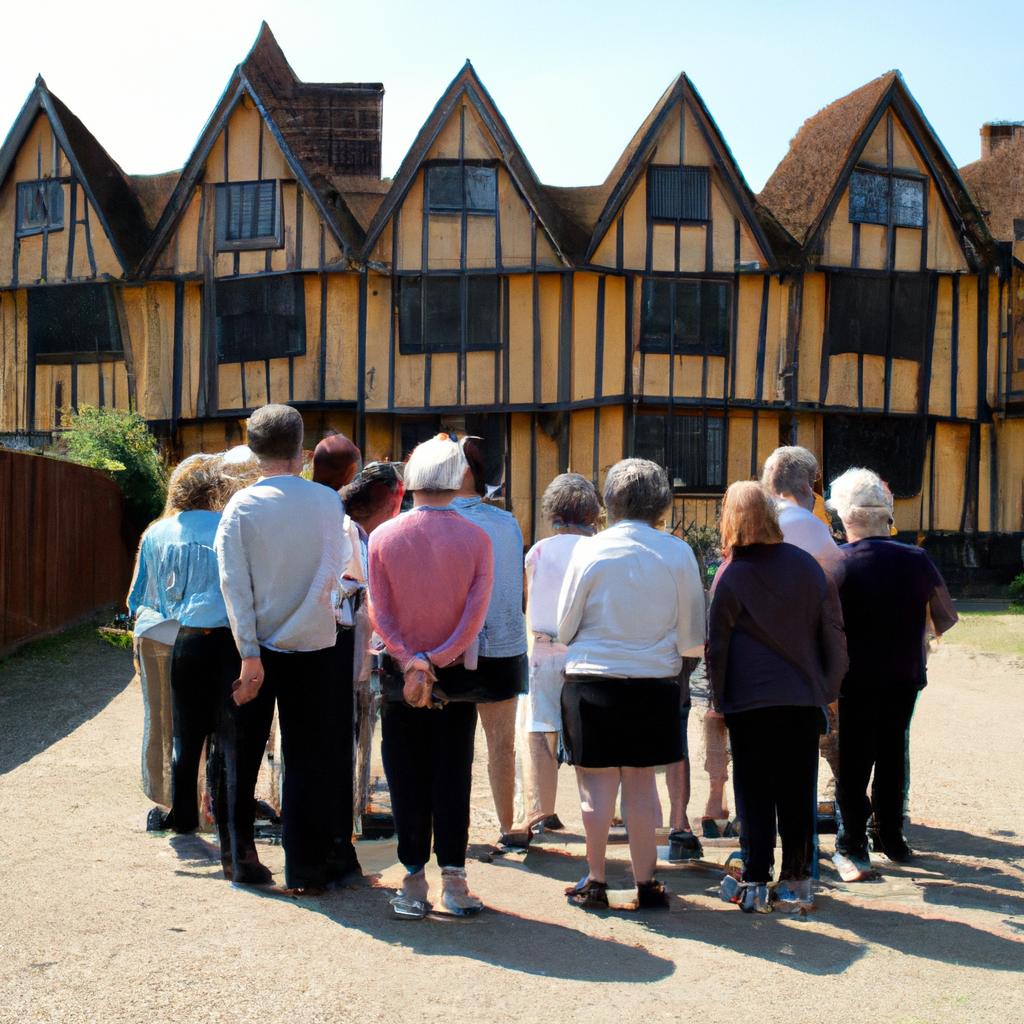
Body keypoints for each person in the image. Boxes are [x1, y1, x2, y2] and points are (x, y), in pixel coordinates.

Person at [216, 404, 352, 892]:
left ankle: (240, 859)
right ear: (302, 448)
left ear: (252, 449)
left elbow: (234, 585)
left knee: (243, 753)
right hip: (315, 644)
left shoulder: (241, 507)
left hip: (256, 648)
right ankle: (307, 866)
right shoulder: (327, 503)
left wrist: (249, 651)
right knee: (307, 757)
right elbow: (335, 575)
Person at [557, 458, 705, 910]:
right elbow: (692, 640)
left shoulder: (587, 549)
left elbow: (564, 628)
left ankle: (597, 878)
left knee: (594, 787)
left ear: (610, 501)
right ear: (662, 501)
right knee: (642, 786)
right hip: (653, 683)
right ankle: (646, 882)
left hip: (592, 679)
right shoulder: (678, 552)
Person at [368, 435, 494, 919]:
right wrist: (438, 658)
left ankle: (413, 879)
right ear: (458, 477)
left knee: (405, 775)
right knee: (452, 773)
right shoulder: (477, 539)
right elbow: (474, 617)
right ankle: (455, 880)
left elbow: (377, 610)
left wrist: (410, 658)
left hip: (400, 675)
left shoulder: (381, 537)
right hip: (455, 676)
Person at [707, 482, 848, 914]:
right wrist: (827, 687)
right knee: (796, 789)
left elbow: (718, 647)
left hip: (750, 701)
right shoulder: (807, 566)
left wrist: (719, 699)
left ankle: (755, 876)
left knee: (753, 790)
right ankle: (798, 879)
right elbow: (833, 632)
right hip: (802, 698)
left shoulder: (731, 574)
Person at [827, 468, 957, 879]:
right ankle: (891, 836)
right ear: (885, 514)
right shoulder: (917, 559)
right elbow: (944, 619)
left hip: (854, 677)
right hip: (903, 673)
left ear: (845, 518)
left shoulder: (837, 563)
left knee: (854, 759)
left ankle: (852, 844)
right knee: (891, 751)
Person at [128, 454, 232, 832]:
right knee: (215, 724)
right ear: (216, 491)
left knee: (166, 724)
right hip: (218, 636)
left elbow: (138, 596)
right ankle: (215, 805)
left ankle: (174, 804)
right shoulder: (226, 527)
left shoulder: (156, 532)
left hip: (160, 635)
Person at [451, 438, 529, 850]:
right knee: (502, 742)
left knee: (451, 744)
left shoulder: (430, 519)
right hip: (503, 642)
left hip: (448, 646)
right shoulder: (507, 524)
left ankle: (450, 828)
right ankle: (509, 824)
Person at [517, 473, 600, 835]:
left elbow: (527, 599)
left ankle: (542, 810)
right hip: (587, 650)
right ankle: (598, 812)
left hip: (544, 648)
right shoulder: (599, 549)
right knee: (590, 734)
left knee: (541, 733)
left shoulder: (538, 550)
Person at [311, 431, 366, 881]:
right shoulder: (343, 523)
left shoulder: (293, 510)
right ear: (350, 475)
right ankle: (336, 846)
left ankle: (305, 840)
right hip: (335, 636)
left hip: (285, 637)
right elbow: (355, 584)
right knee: (334, 745)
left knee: (299, 742)